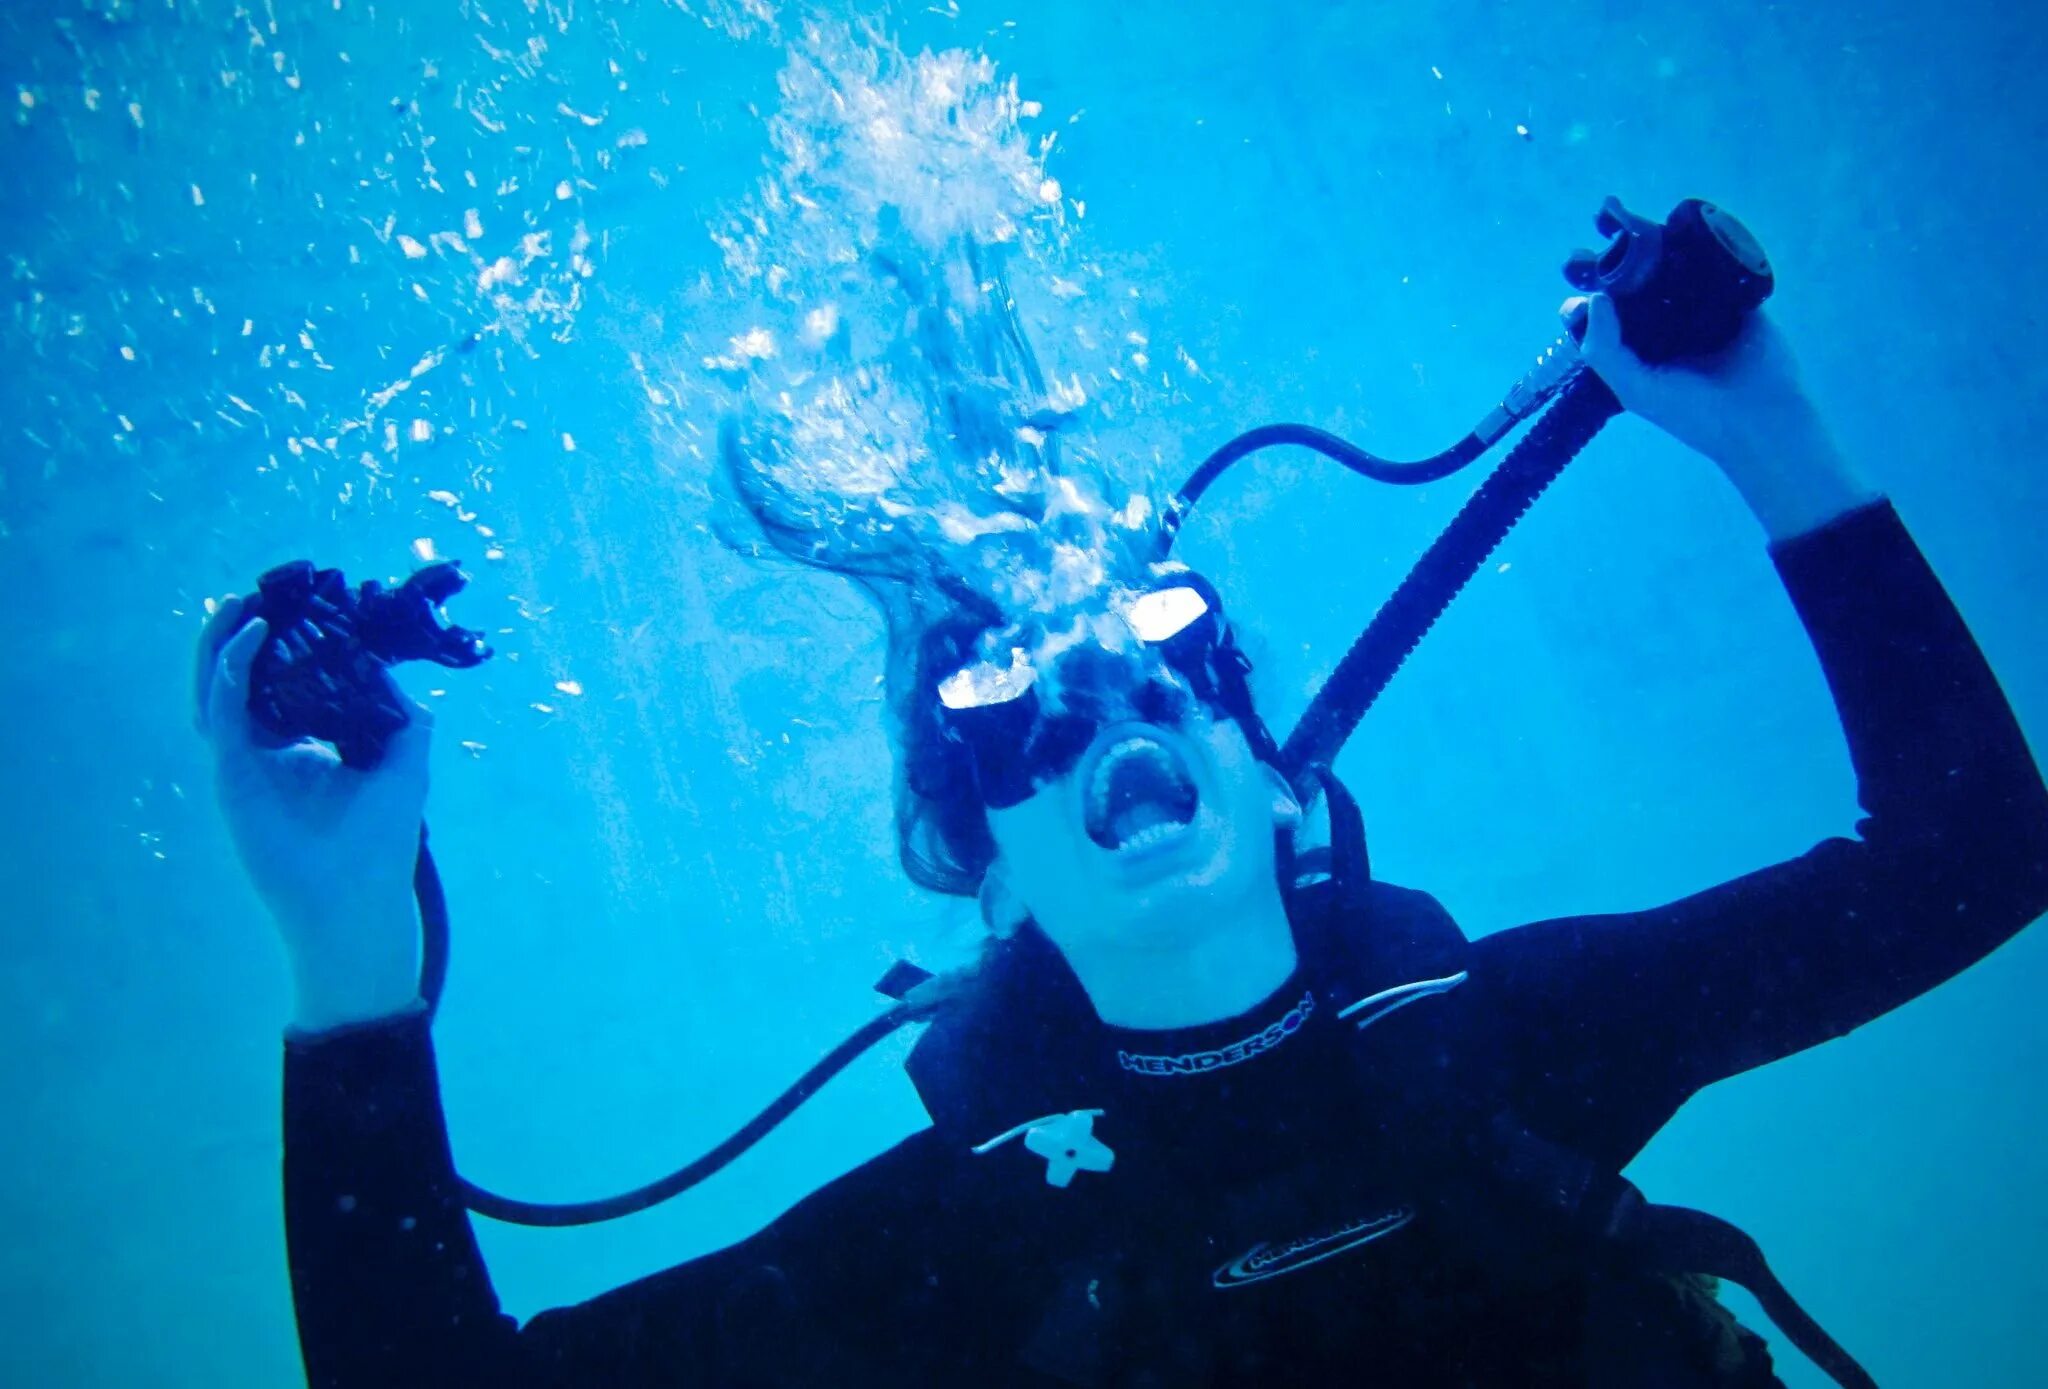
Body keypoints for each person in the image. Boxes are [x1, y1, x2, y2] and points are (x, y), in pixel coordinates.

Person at [197, 290, 2048, 1388]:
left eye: (1174, 665)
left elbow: (1977, 852)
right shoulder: (967, 1244)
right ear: (992, 877)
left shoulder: (1516, 1041)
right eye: (1013, 719)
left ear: (1280, 783)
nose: (1115, 710)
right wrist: (346, 942)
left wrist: (1772, 431)